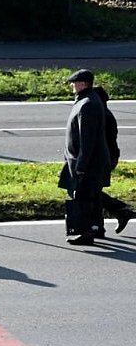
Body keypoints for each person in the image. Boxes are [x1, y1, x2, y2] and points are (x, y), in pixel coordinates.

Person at [60, 69, 111, 246]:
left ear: (83, 84)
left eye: (74, 83)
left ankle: (86, 233)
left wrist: (81, 166)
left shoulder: (87, 104)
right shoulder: (89, 100)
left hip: (87, 163)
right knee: (93, 196)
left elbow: (87, 140)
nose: (72, 86)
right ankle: (97, 228)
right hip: (91, 161)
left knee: (84, 197)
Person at [95, 86, 134, 234]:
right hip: (109, 157)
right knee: (91, 190)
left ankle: (121, 210)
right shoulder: (104, 113)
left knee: (90, 190)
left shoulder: (103, 116)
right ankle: (102, 221)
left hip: (106, 158)